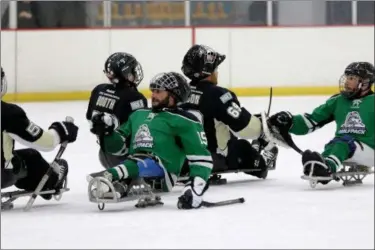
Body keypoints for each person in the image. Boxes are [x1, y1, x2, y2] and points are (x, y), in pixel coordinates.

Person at [87, 72, 213, 209]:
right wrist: (107, 131)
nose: (153, 95)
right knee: (134, 163)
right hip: (135, 161)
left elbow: (201, 158)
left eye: (158, 92)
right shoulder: (138, 114)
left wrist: (195, 188)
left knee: (138, 163)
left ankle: (110, 175)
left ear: (173, 95)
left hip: (163, 169)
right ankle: (121, 184)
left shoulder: (185, 120)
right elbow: (118, 148)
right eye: (153, 91)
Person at [179, 44, 278, 182]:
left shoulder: (181, 92)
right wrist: (264, 127)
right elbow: (245, 127)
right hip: (213, 158)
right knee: (242, 147)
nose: (217, 72)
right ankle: (262, 161)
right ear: (207, 71)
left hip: (184, 158)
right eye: (215, 68)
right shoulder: (217, 94)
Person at [266, 61, 374, 184]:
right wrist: (289, 121)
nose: (346, 82)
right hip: (342, 146)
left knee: (342, 144)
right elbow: (311, 121)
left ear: (365, 83)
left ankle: (326, 168)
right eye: (347, 77)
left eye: (352, 78)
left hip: (370, 150)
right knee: (332, 147)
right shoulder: (338, 101)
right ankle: (318, 165)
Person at [1, 67, 79, 202]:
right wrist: (61, 130)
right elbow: (46, 143)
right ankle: (52, 180)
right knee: (31, 157)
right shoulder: (8, 113)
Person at [86, 52, 148, 170]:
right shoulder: (135, 97)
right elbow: (141, 131)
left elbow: (90, 117)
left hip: (104, 154)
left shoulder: (98, 90)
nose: (135, 73)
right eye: (133, 71)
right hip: (127, 157)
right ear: (126, 74)